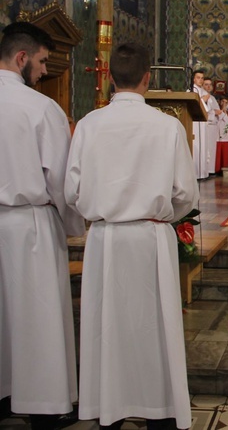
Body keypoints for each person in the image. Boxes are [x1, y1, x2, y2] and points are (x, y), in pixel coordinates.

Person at [66, 43, 199, 430]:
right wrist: (159, 218)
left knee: (106, 326)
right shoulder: (166, 126)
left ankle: (108, 408)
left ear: (109, 77)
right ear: (148, 78)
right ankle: (160, 409)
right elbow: (186, 195)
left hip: (105, 239)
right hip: (150, 237)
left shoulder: (89, 124)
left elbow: (71, 192)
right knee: (153, 326)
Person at [0, 22, 85, 429]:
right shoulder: (40, 108)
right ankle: (46, 405)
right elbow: (60, 181)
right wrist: (74, 225)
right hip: (29, 223)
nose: (41, 71)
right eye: (40, 62)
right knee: (38, 316)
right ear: (21, 59)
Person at [190, 69, 212, 179]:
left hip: (203, 123)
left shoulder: (202, 90)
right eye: (198, 77)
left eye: (202, 78)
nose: (200, 80)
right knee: (197, 146)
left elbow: (209, 107)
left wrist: (205, 99)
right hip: (195, 123)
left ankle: (202, 173)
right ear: (194, 79)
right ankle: (195, 173)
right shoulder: (191, 90)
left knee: (203, 146)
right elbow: (194, 104)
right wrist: (203, 100)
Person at [201, 77, 221, 175]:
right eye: (206, 84)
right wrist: (214, 112)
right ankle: (205, 170)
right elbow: (204, 111)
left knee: (212, 150)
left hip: (213, 127)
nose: (208, 86)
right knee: (206, 149)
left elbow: (218, 111)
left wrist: (216, 112)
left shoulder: (212, 98)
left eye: (210, 84)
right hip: (206, 126)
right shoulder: (201, 96)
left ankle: (211, 170)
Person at [214, 96, 228, 174]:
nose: (224, 104)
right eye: (222, 102)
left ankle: (224, 171)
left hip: (225, 137)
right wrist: (221, 112)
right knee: (217, 156)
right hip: (217, 136)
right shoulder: (216, 111)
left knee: (224, 156)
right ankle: (217, 170)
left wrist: (223, 113)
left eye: (226, 102)